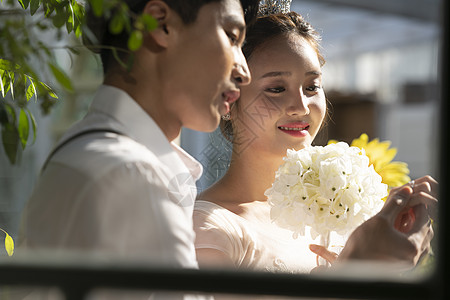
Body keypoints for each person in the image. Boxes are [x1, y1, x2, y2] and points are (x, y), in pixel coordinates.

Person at [16, 0, 258, 298]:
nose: (244, 71)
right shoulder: (132, 175)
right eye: (232, 37)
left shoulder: (91, 153)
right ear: (160, 23)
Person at [193, 11, 438, 274]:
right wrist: (354, 269)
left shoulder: (341, 210)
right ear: (229, 99)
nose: (301, 107)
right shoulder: (207, 229)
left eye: (312, 87)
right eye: (276, 89)